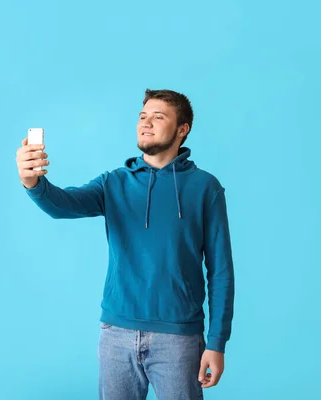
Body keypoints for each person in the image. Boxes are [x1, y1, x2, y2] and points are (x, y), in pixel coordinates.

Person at [15, 89, 235, 400]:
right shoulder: (113, 183)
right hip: (116, 334)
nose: (146, 123)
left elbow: (221, 271)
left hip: (179, 337)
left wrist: (216, 342)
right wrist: (32, 182)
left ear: (182, 129)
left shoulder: (206, 188)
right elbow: (61, 204)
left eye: (158, 117)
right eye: (143, 117)